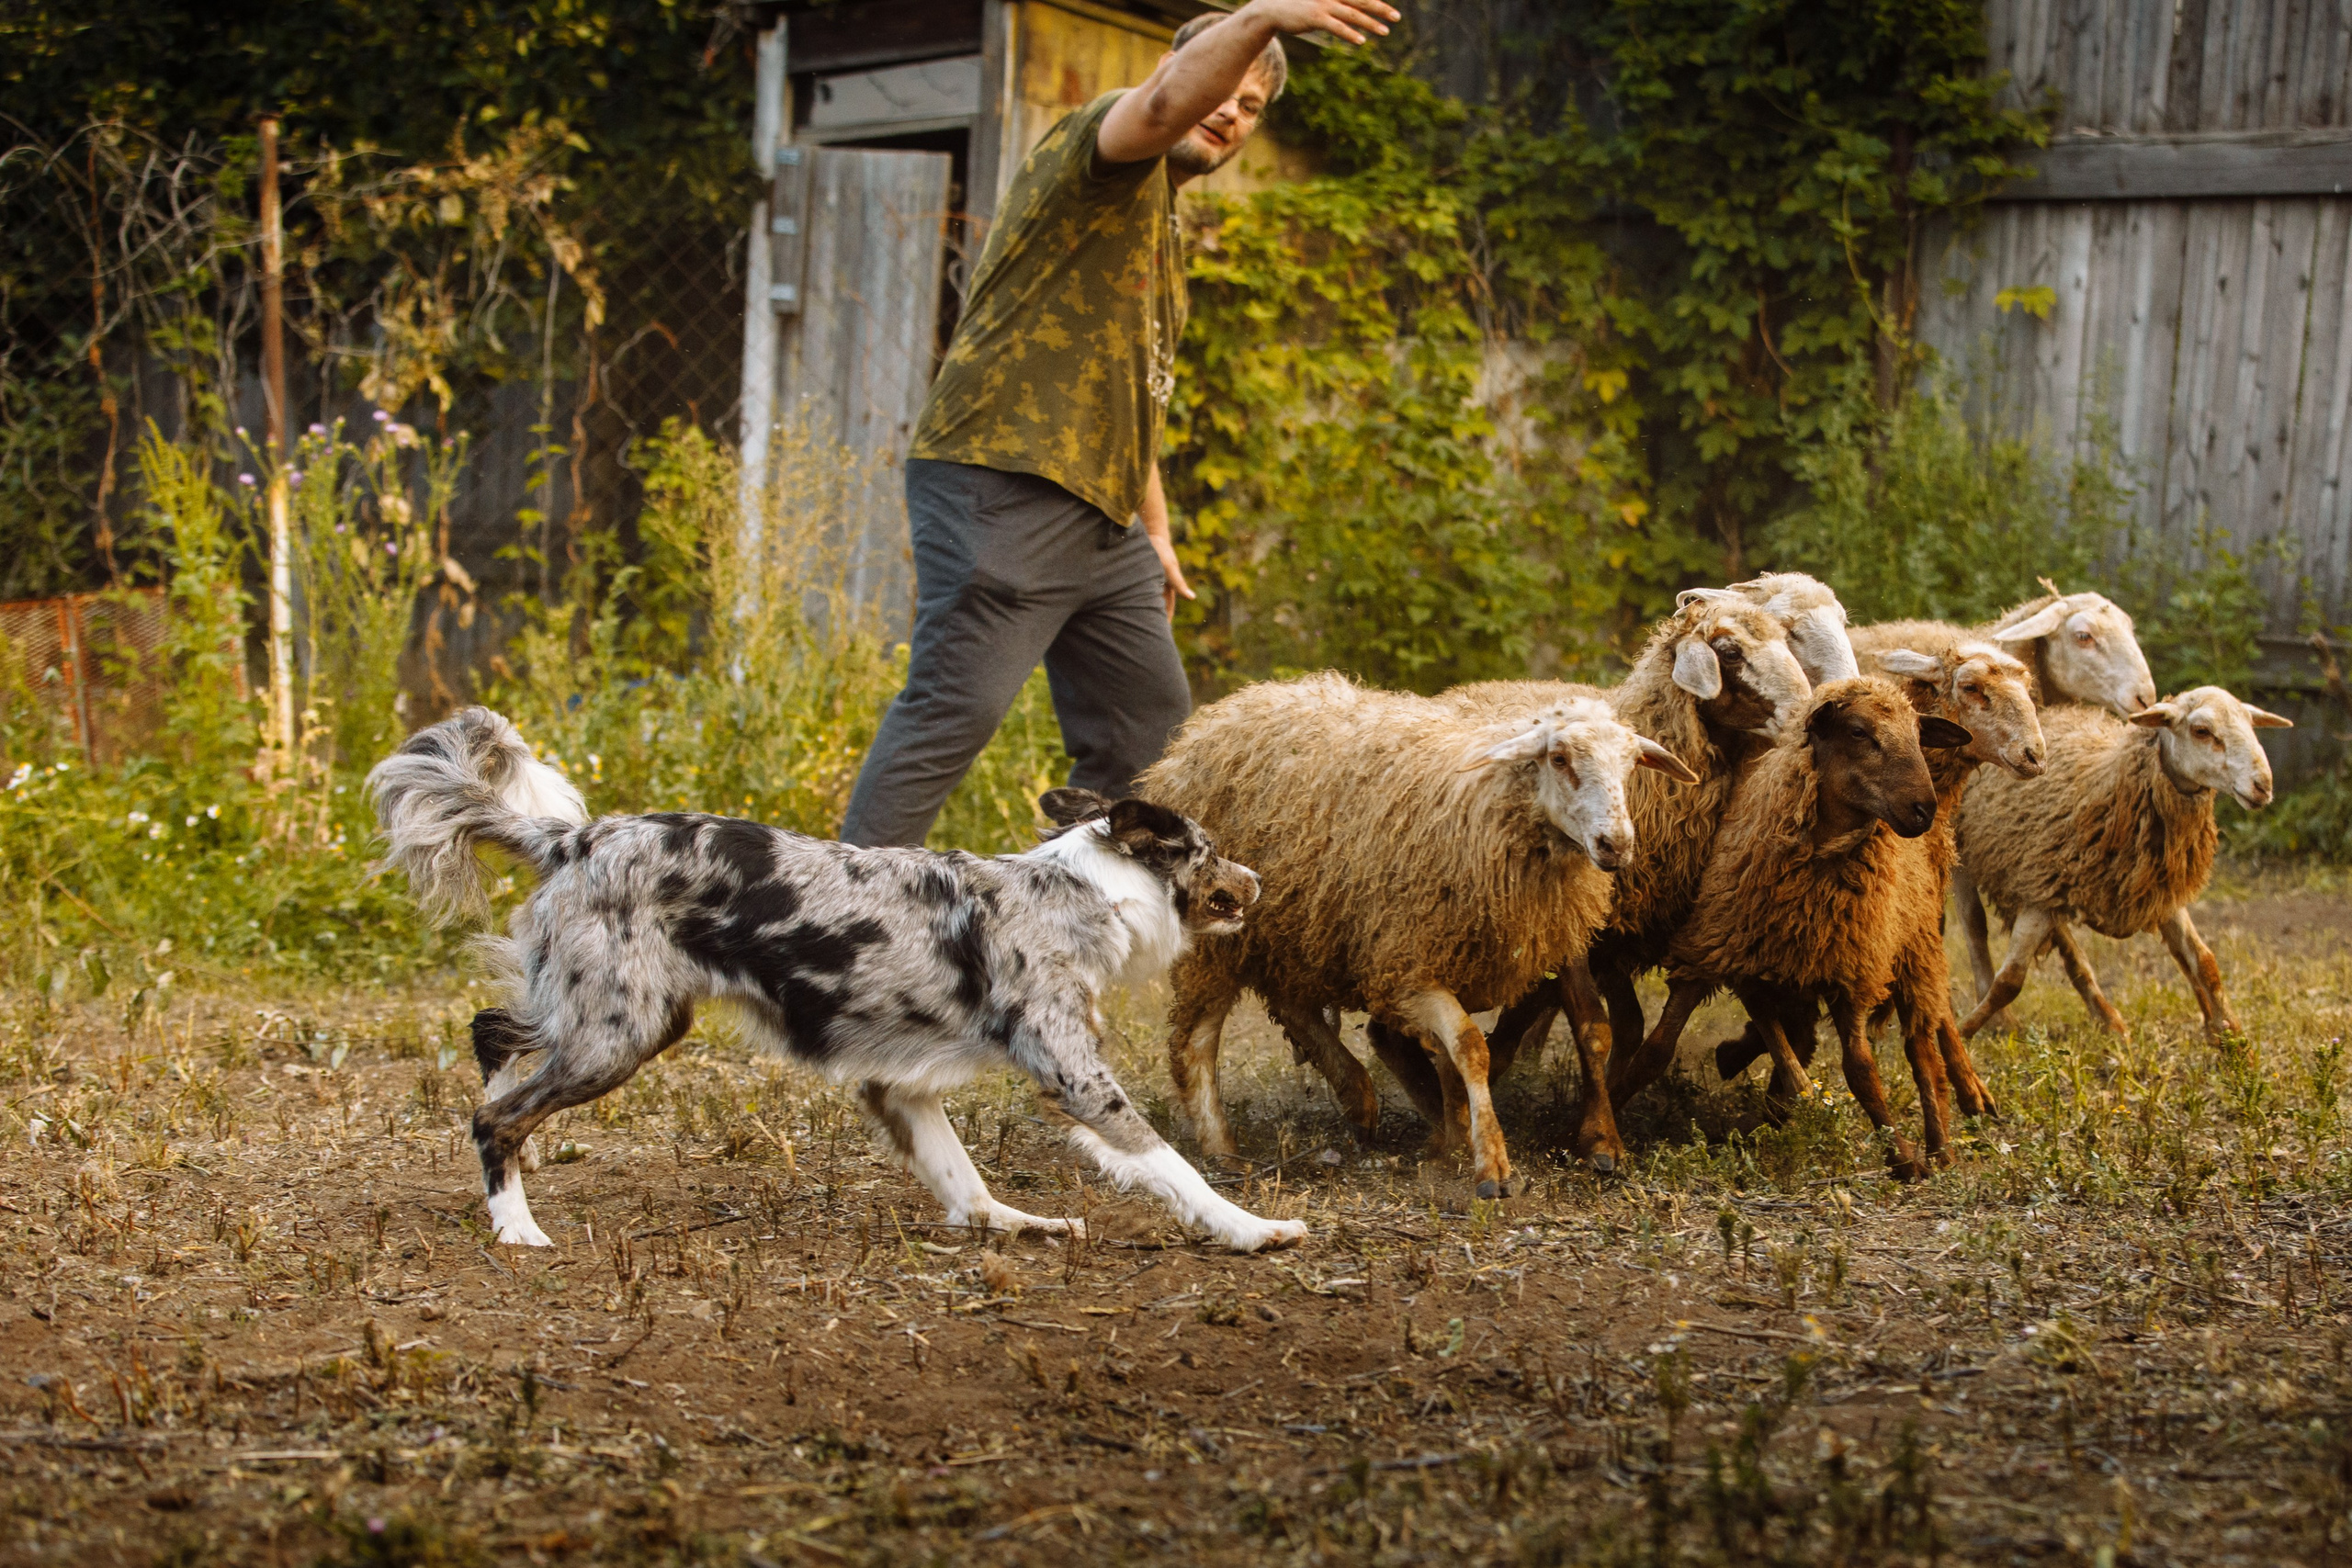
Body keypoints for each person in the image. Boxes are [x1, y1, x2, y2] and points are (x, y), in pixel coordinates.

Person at [837, 0, 1399, 848]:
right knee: (954, 711)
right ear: (1180, 70)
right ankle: (841, 911)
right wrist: (1259, 18)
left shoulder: (1162, 222)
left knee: (1147, 734)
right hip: (1007, 482)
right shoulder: (1102, 152)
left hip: (1105, 521)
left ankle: (1076, 908)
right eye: (1224, 88)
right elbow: (1167, 103)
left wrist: (1156, 533)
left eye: (1251, 108)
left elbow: (1133, 394)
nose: (1230, 113)